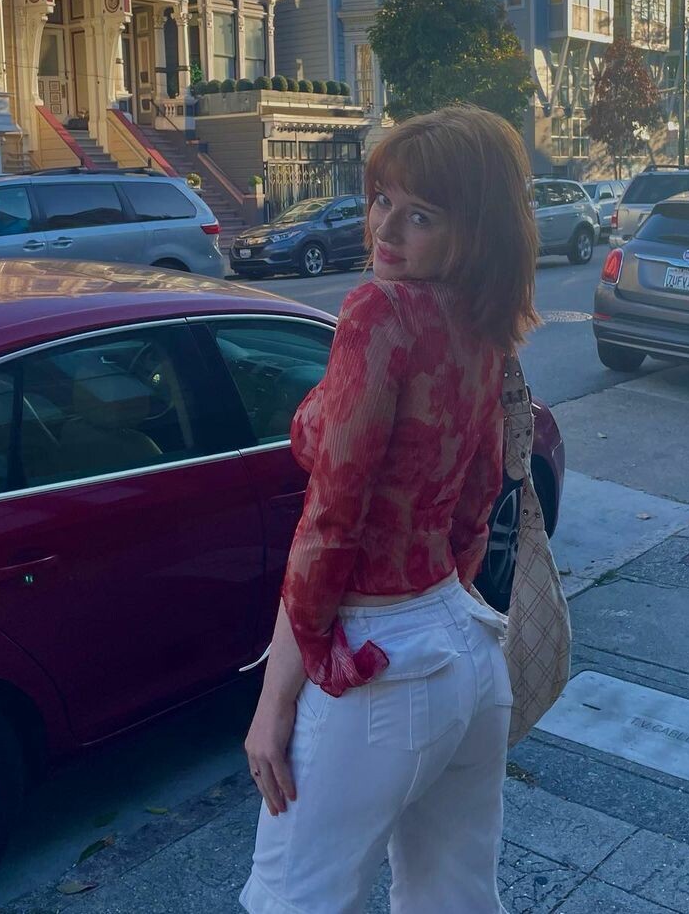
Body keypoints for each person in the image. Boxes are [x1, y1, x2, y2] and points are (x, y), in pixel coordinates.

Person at [240, 104, 540, 914]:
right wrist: (440, 605)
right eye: (382, 200)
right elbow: (478, 501)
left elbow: (330, 517)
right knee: (455, 899)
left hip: (379, 664)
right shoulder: (485, 325)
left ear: (473, 231)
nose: (385, 228)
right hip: (467, 651)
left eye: (421, 215)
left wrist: (277, 698)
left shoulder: (381, 311)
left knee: (291, 903)